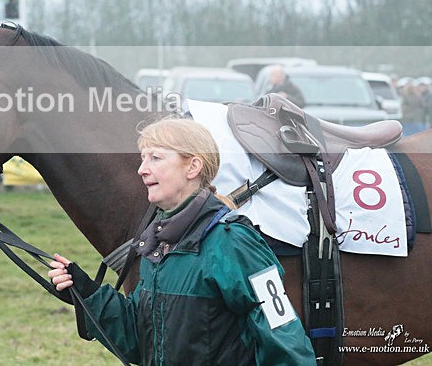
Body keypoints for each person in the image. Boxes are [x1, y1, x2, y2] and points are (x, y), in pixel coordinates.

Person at [48, 117, 315, 365]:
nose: (141, 170)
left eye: (155, 158)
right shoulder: (156, 244)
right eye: (142, 159)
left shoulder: (233, 243)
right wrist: (87, 294)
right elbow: (141, 340)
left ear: (193, 166)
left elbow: (284, 340)